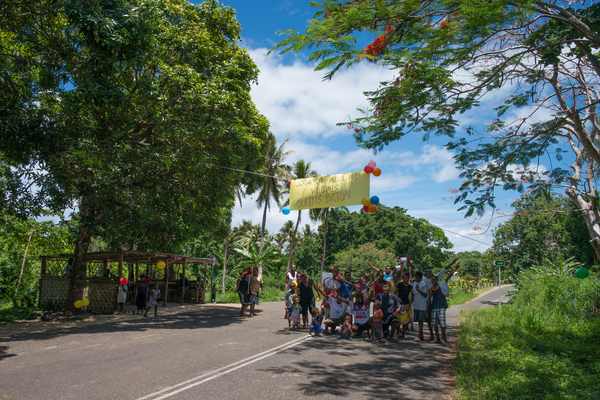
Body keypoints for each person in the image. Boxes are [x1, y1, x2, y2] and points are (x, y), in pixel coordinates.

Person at [395, 273, 414, 340]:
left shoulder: (410, 287)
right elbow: (395, 293)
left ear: (408, 278)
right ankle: (397, 333)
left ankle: (403, 334)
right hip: (399, 304)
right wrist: (398, 298)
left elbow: (412, 297)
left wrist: (409, 305)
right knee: (398, 320)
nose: (405, 279)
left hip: (406, 304)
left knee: (406, 321)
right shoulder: (399, 285)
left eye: (406, 278)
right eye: (404, 278)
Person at [412, 270, 429, 342]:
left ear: (420, 277)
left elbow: (425, 295)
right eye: (415, 277)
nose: (416, 279)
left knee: (421, 321)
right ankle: (420, 335)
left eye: (417, 277)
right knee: (418, 320)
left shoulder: (423, 284)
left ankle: (420, 335)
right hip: (416, 304)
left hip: (422, 305)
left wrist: (419, 290)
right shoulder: (414, 283)